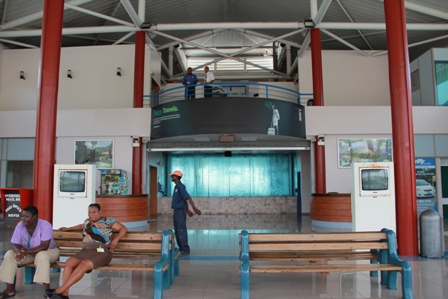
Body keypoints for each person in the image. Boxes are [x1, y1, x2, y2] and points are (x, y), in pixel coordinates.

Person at [47, 203, 127, 299]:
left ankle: (60, 290)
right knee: (69, 262)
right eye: (89, 212)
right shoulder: (87, 222)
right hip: (87, 250)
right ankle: (64, 295)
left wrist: (116, 239)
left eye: (94, 212)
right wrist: (69, 229)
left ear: (100, 212)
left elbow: (123, 228)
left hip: (102, 250)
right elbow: (81, 226)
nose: (91, 214)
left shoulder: (108, 221)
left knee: (84, 264)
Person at [0, 205, 59, 299]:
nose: (23, 219)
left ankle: (47, 290)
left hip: (49, 251)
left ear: (34, 217)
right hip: (29, 252)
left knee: (42, 255)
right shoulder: (20, 225)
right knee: (10, 254)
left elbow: (45, 246)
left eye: (26, 217)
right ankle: (9, 289)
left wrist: (25, 252)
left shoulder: (45, 225)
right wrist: (19, 252)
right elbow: (14, 243)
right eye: (22, 216)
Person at [169, 170, 201, 256]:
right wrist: (188, 210)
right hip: (176, 210)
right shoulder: (176, 187)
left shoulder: (181, 187)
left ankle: (185, 250)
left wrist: (194, 208)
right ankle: (181, 248)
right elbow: (184, 200)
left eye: (173, 176)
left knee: (181, 230)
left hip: (180, 211)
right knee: (177, 230)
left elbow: (188, 198)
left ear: (177, 177)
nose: (171, 177)